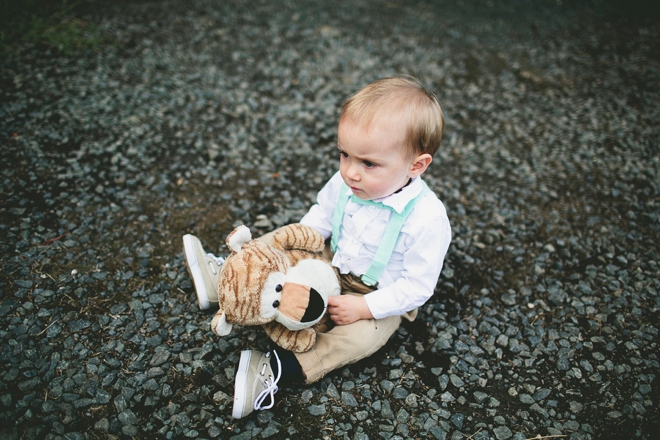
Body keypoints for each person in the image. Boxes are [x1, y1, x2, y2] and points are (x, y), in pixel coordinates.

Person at [183, 75, 452, 419]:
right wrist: (291, 247)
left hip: (376, 292)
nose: (351, 172)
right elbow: (322, 216)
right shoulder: (347, 182)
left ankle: (279, 368)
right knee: (286, 234)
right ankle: (231, 275)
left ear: (416, 165)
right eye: (344, 154)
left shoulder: (427, 219)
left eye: (368, 163)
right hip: (332, 257)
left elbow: (417, 286)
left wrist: (366, 307)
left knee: (361, 339)